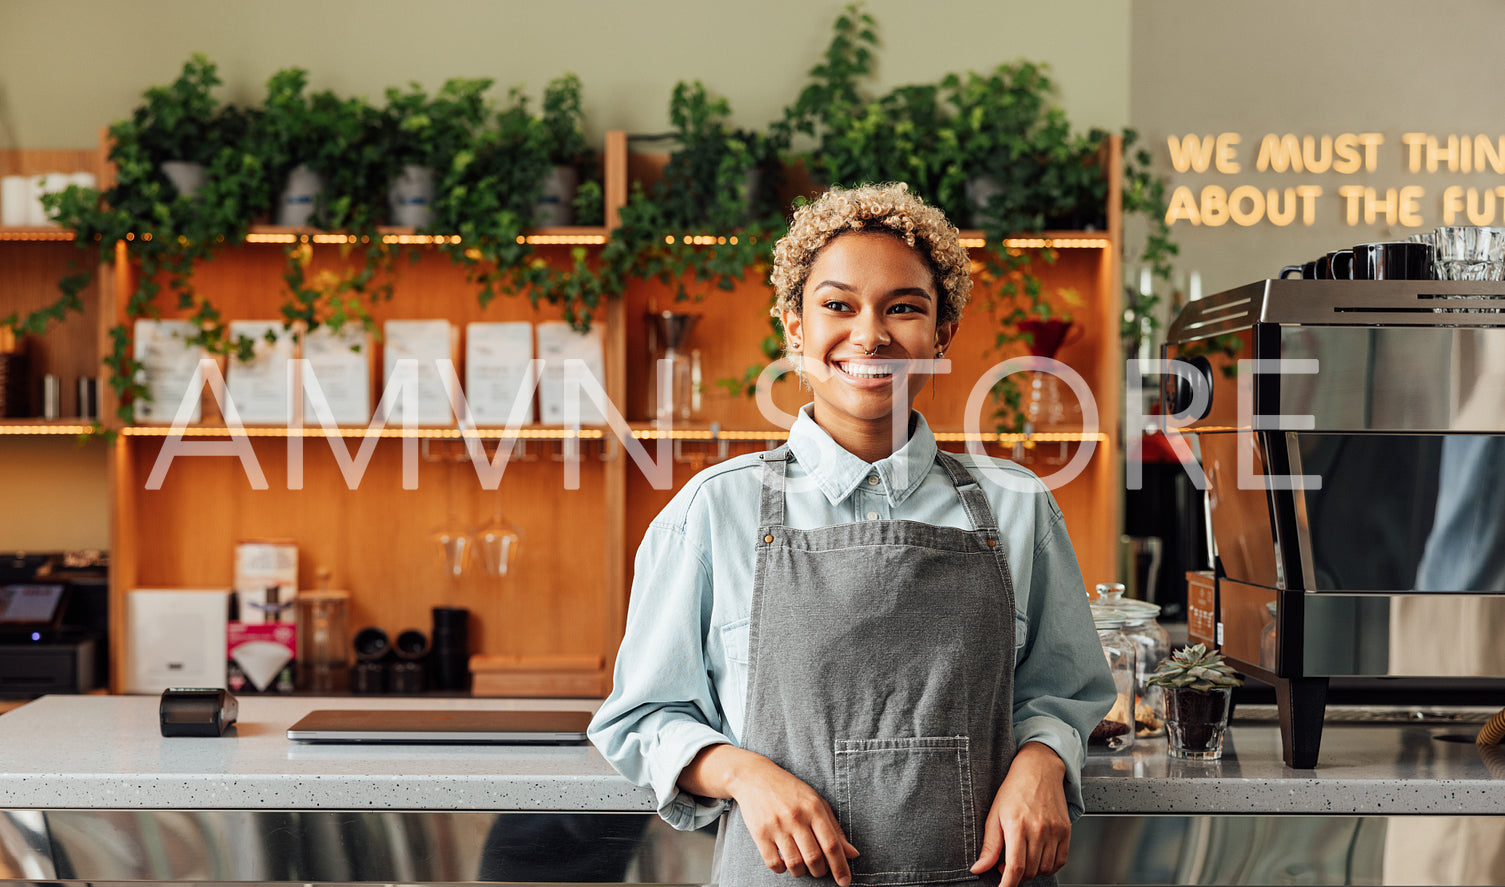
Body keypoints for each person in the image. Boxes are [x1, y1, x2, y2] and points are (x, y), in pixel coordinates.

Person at [589, 182, 1115, 887]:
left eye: (903, 307)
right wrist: (746, 776)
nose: (869, 334)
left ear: (942, 334)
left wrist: (1041, 760)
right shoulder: (715, 510)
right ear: (794, 328)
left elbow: (1062, 691)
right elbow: (644, 714)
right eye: (838, 305)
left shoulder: (1017, 506)